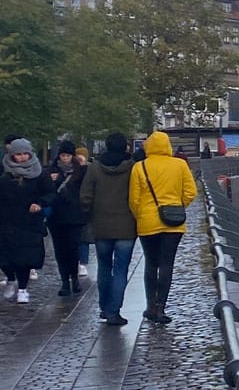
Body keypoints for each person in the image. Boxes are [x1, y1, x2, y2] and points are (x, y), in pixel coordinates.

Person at [129, 131, 198, 326]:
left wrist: (142, 214)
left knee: (151, 263)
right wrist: (177, 207)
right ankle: (161, 306)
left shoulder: (139, 167)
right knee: (167, 263)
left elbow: (133, 199)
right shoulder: (180, 165)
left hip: (148, 223)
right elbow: (191, 192)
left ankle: (150, 305)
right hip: (173, 224)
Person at [78, 132, 139, 325]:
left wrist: (89, 213)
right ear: (125, 147)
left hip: (101, 225)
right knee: (121, 270)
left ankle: (104, 308)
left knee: (104, 267)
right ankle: (114, 311)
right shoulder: (132, 168)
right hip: (126, 227)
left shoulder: (95, 168)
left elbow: (85, 196)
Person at [0, 140, 52, 303]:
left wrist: (40, 204)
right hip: (6, 220)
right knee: (4, 257)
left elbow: (50, 193)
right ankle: (10, 278)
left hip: (29, 222)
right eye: (18, 154)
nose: (22, 158)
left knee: (25, 258)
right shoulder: (5, 173)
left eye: (25, 154)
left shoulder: (40, 174)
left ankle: (23, 288)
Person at [45, 140, 90, 298]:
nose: (65, 158)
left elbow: (87, 185)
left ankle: (74, 278)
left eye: (68, 155)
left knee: (73, 248)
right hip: (56, 217)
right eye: (63, 155)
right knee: (60, 250)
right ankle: (65, 281)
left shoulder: (80, 171)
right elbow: (46, 190)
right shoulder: (52, 170)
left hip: (74, 216)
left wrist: (84, 166)